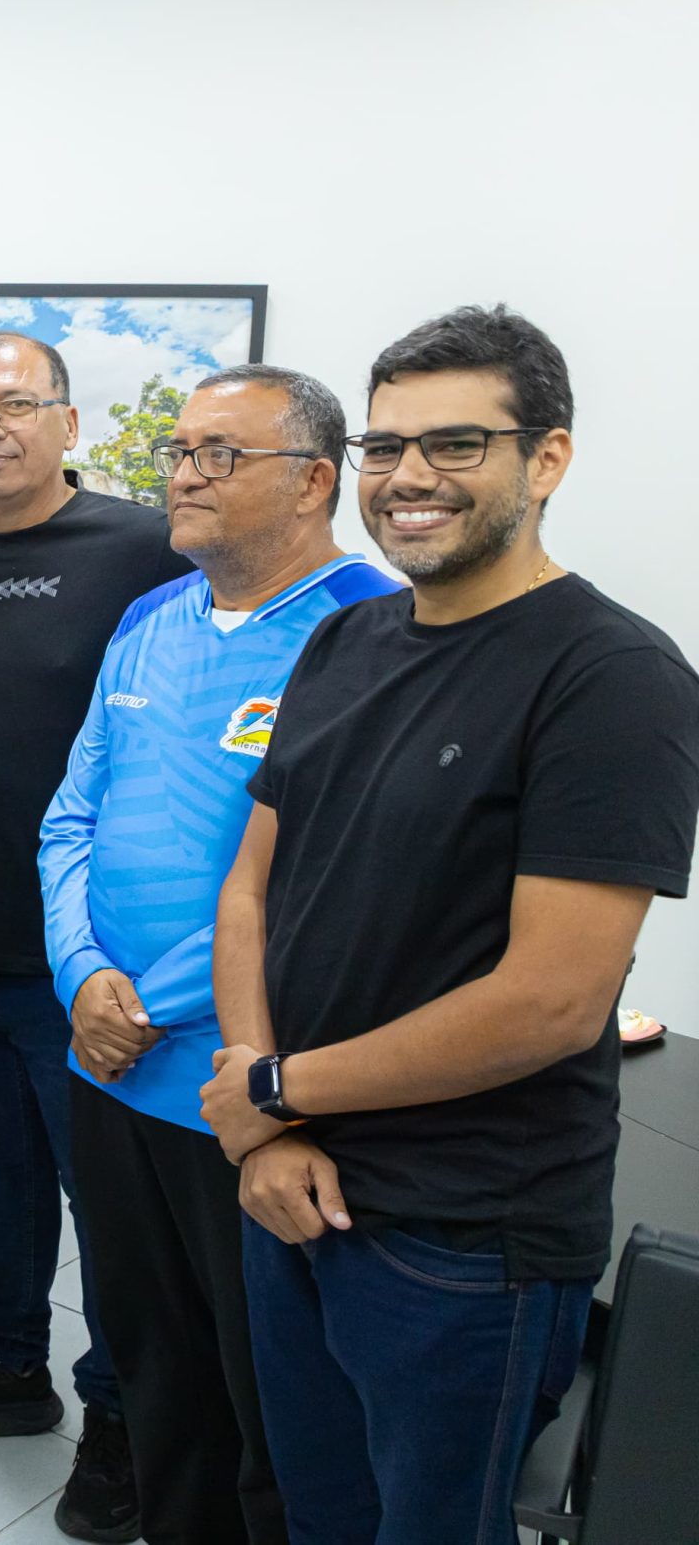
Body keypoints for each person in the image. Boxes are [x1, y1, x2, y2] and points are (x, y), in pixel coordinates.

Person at [201, 306, 699, 1543]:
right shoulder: (344, 639)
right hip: (291, 1187)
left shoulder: (612, 678)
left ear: (548, 458)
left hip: (459, 1241)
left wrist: (272, 1090)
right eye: (384, 446)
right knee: (314, 1518)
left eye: (456, 443)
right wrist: (265, 1122)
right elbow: (252, 886)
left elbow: (550, 1003)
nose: (408, 476)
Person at [40, 366, 391, 1545]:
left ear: (312, 481)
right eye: (179, 451)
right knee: (153, 1371)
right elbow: (69, 815)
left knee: (270, 1403)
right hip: (104, 1067)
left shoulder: (370, 630)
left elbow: (321, 879)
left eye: (217, 455)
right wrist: (81, 976)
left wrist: (144, 1003)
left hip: (243, 1087)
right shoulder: (149, 618)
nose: (182, 475)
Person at [0, 332, 185, 1544]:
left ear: (68, 421)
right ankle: (9, 1363)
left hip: (85, 954)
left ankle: (121, 1413)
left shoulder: (143, 547)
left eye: (14, 404)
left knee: (106, 1203)